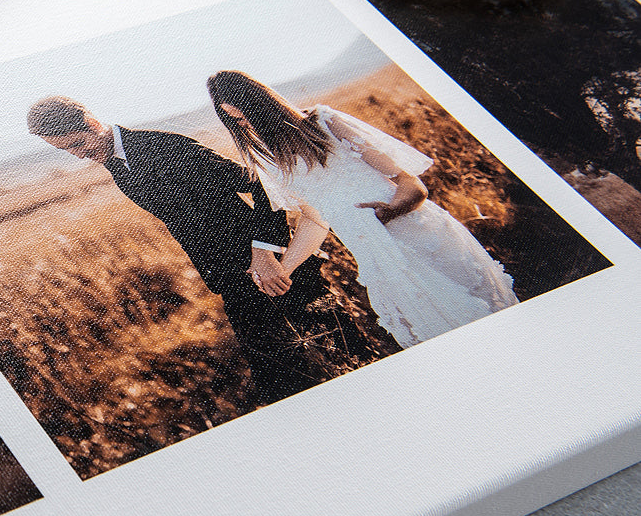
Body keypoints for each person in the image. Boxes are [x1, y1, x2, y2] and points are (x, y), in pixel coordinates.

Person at [27, 95, 338, 406]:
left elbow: (260, 183)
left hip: (275, 267)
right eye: (68, 151)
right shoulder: (117, 164)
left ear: (93, 124)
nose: (79, 155)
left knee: (338, 348)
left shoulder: (163, 147)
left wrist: (265, 252)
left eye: (79, 144)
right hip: (231, 280)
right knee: (280, 380)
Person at [206, 70, 517, 348]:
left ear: (261, 104)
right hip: (381, 260)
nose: (244, 124)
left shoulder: (325, 122)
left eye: (245, 114)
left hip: (418, 235)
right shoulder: (270, 161)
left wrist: (390, 212)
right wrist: (285, 267)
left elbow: (412, 185)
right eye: (235, 121)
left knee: (489, 319)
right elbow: (316, 220)